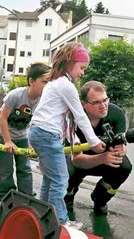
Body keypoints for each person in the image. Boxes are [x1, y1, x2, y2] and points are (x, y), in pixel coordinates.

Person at [28, 42, 105, 229]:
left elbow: (65, 120)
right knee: (61, 179)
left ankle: (42, 217)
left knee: (50, 178)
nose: (83, 72)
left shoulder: (55, 83)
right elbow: (79, 116)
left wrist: (75, 140)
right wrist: (94, 142)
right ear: (70, 63)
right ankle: (60, 222)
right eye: (81, 67)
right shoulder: (65, 85)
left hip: (39, 132)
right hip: (47, 135)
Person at [64, 81, 132, 215]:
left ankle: (100, 198)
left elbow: (121, 145)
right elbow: (76, 159)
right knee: (67, 170)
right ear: (83, 104)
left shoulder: (117, 114)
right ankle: (69, 193)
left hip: (104, 159)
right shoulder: (71, 118)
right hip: (78, 160)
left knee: (124, 167)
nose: (103, 106)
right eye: (96, 102)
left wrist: (121, 149)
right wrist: (102, 158)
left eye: (105, 100)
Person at [0, 62, 50, 201]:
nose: (47, 86)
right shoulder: (15, 95)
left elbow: (35, 122)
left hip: (22, 136)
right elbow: (2, 119)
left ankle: (26, 196)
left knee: (24, 167)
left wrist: (32, 143)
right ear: (31, 81)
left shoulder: (43, 100)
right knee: (5, 169)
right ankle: (7, 197)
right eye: (44, 82)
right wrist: (7, 141)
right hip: (3, 135)